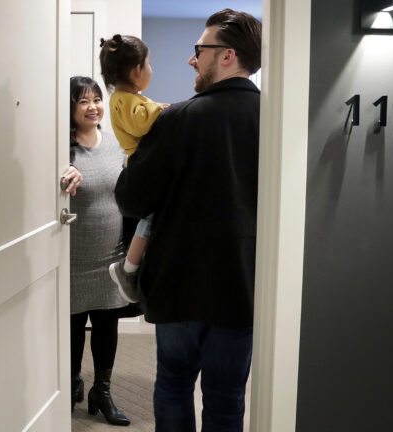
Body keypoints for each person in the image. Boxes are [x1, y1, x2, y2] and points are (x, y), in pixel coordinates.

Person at [113, 9, 262, 432]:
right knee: (228, 396)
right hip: (243, 286)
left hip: (179, 284)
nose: (191, 59)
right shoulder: (276, 120)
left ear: (227, 55)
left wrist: (133, 161)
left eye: (200, 50)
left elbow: (132, 199)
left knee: (175, 384)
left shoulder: (176, 119)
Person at [64, 75, 131, 426]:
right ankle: (72, 383)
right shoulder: (60, 148)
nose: (92, 107)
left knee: (107, 326)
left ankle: (101, 391)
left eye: (96, 99)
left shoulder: (117, 141)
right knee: (73, 329)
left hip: (111, 255)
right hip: (72, 260)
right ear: (70, 109)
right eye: (83, 101)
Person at [98, 34, 166, 304]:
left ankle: (132, 265)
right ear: (137, 69)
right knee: (149, 218)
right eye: (148, 64)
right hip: (137, 164)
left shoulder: (130, 97)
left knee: (152, 216)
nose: (151, 70)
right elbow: (140, 125)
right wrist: (161, 109)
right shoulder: (122, 99)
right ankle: (128, 267)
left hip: (140, 163)